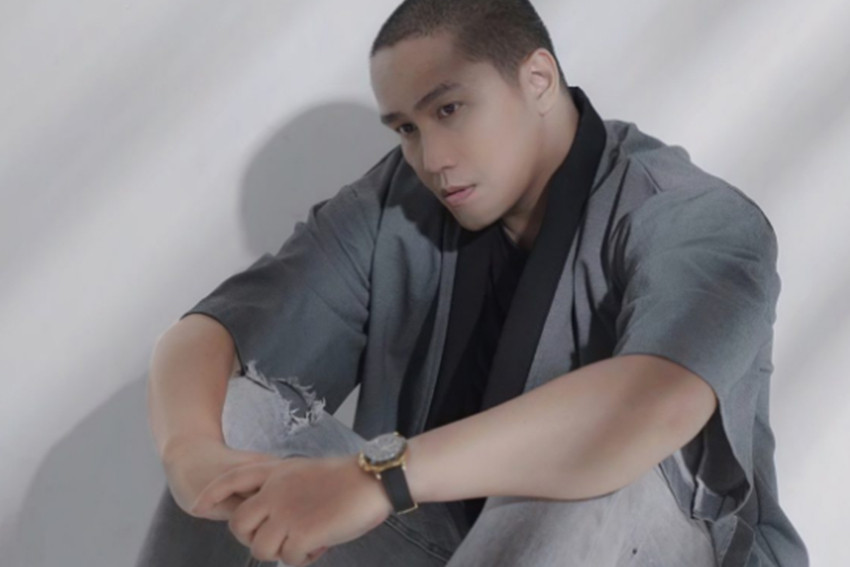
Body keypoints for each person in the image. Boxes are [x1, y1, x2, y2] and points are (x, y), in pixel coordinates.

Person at [136, 0, 809, 565]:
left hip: (638, 543)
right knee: (233, 416)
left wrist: (380, 479)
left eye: (450, 109)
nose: (431, 157)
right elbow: (209, 333)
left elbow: (651, 405)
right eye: (407, 128)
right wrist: (192, 454)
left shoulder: (692, 215)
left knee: (594, 476)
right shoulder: (401, 202)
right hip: (451, 540)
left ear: (537, 78)